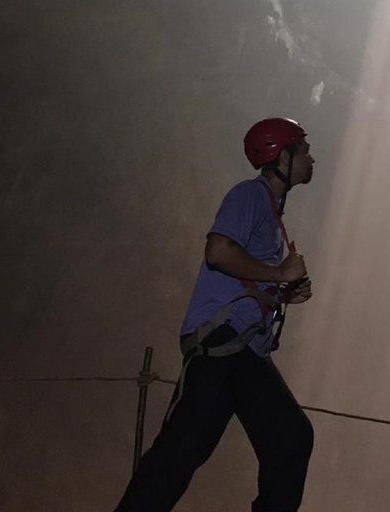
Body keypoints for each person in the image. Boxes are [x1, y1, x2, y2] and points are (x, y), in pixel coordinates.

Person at [115, 117, 316, 512]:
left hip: (238, 351)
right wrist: (279, 274)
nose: (312, 157)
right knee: (186, 454)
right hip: (222, 343)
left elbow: (241, 274)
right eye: (304, 149)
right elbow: (219, 252)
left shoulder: (271, 216)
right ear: (281, 155)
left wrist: (281, 293)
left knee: (192, 453)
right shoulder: (250, 196)